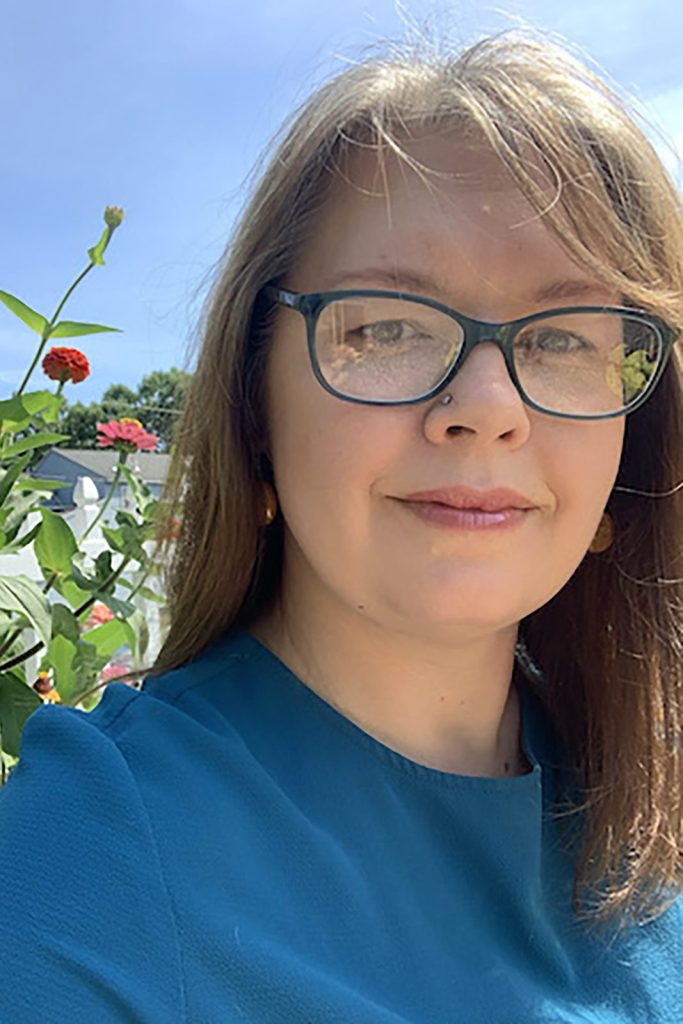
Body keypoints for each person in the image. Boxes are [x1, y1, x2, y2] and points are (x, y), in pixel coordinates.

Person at [0, 28, 681, 1024]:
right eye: (387, 327)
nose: (487, 404)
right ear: (253, 404)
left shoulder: (651, 813)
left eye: (566, 336)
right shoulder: (93, 860)